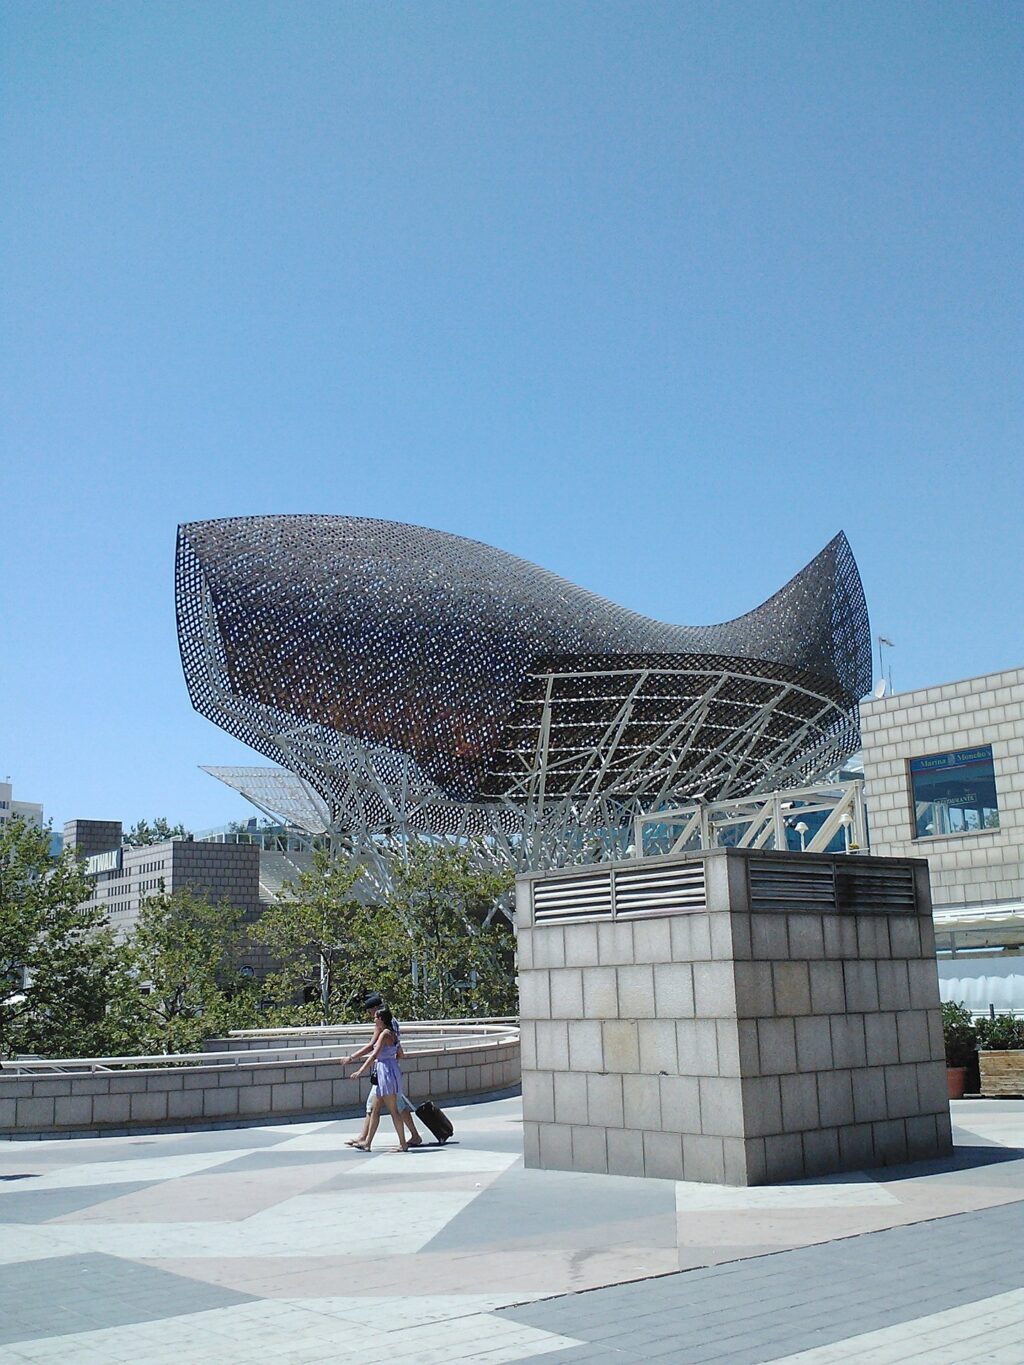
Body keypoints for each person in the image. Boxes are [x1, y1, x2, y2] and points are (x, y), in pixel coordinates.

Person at [340, 993, 422, 1148]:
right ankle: (365, 1139)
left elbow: (373, 1048)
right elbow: (398, 1050)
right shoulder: (392, 1024)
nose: (371, 1016)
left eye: (371, 1012)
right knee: (376, 1105)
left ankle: (409, 1139)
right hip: (389, 1070)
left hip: (385, 1072)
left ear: (378, 1011)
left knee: (394, 1107)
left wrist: (353, 1059)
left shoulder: (383, 1029)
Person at [346, 1007, 407, 1152]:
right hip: (388, 1071)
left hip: (385, 1073)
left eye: (376, 1018)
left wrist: (360, 1071)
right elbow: (401, 1054)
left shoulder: (385, 1034)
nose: (374, 1019)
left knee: (393, 1110)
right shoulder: (393, 1034)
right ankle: (367, 1143)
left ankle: (403, 1144)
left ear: (382, 1019)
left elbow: (374, 1054)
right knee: (374, 1109)